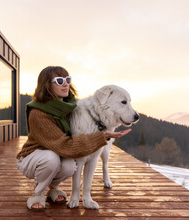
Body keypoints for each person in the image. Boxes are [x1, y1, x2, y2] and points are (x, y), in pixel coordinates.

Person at [16, 66, 130, 210]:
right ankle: (38, 194)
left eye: (67, 79)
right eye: (59, 80)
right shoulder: (39, 114)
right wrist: (101, 137)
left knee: (70, 165)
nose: (65, 84)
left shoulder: (68, 106)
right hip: (33, 157)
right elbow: (65, 146)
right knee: (51, 159)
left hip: (55, 153)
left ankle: (54, 188)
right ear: (46, 85)